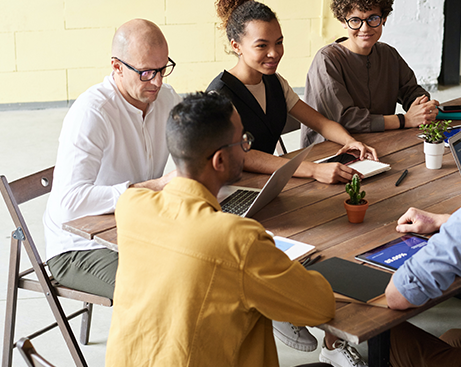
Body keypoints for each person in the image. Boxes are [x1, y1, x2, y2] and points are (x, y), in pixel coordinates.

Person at [105, 91, 338, 367]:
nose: (247, 146)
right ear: (219, 161)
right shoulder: (238, 240)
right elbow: (320, 307)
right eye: (243, 141)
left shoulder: (132, 208)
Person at [43, 19, 181, 300]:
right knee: (156, 294)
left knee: (208, 266)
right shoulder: (92, 113)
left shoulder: (165, 99)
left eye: (162, 68)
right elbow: (67, 205)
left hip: (134, 228)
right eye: (145, 72)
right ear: (117, 67)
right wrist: (156, 186)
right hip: (79, 247)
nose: (157, 81)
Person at [207, 0, 378, 187]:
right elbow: (242, 155)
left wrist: (350, 141)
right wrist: (314, 169)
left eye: (279, 42)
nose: (274, 53)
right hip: (227, 191)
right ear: (236, 46)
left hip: (266, 183)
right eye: (262, 45)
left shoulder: (275, 82)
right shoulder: (218, 95)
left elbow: (321, 123)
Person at [385, 84, 461, 366]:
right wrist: (446, 222)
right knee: (450, 337)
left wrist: (452, 232)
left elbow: (398, 296)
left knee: (390, 337)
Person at [301, 0, 439, 147]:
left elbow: (410, 90)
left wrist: (422, 106)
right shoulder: (327, 60)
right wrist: (404, 120)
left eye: (373, 18)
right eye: (355, 20)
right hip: (333, 150)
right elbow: (346, 119)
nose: (365, 28)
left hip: (380, 141)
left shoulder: (388, 54)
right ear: (343, 21)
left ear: (384, 18)